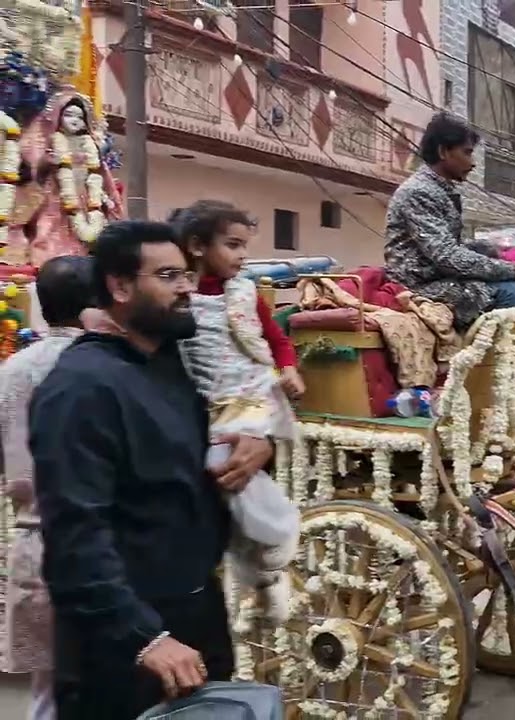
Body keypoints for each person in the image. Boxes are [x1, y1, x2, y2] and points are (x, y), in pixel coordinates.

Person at [31, 221, 275, 720]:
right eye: (168, 277)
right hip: (125, 646)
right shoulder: (81, 388)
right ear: (120, 288)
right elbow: (76, 536)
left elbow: (191, 469)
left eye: (186, 275)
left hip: (193, 617)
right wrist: (145, 637)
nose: (187, 288)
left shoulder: (166, 365)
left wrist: (257, 445)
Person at [169, 201, 302, 622]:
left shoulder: (246, 291)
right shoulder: (178, 297)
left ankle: (280, 531)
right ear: (196, 246)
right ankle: (261, 574)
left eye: (245, 246)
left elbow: (276, 338)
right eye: (232, 245)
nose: (242, 255)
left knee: (225, 463)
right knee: (222, 482)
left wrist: (289, 369)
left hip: (253, 394)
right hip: (211, 403)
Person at [0, 256, 95, 720]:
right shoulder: (106, 365)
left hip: (35, 542)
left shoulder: (13, 370)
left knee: (48, 691)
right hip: (105, 546)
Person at [385, 113, 515, 330]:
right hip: (416, 284)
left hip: (439, 278)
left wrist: (491, 252)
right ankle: (492, 361)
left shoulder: (440, 190)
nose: (472, 163)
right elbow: (447, 256)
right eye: (467, 153)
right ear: (443, 151)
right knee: (508, 291)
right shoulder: (419, 192)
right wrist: (509, 269)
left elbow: (449, 247)